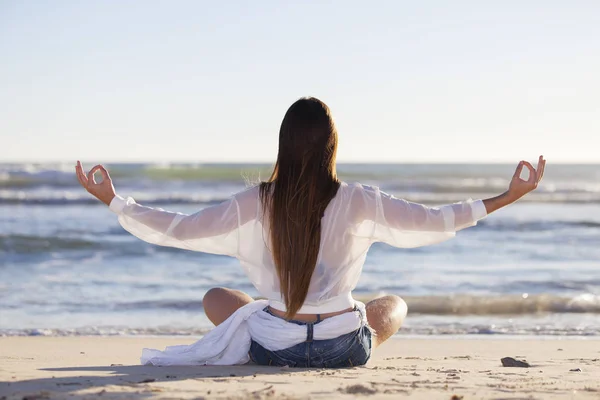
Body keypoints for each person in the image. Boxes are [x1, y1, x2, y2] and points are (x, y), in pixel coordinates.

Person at [75, 97, 545, 367]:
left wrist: (116, 201)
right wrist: (506, 197)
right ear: (332, 146)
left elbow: (180, 229)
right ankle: (362, 338)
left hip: (271, 348)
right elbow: (431, 220)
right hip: (343, 348)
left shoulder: (257, 200)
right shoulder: (360, 198)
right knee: (393, 305)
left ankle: (286, 325)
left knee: (218, 298)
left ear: (283, 144)